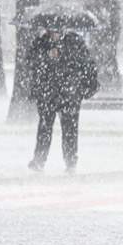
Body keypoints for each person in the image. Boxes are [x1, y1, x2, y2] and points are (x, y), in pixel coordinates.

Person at [31, 31, 98, 172]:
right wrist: (47, 57)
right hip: (48, 94)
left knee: (70, 129)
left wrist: (63, 55)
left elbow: (85, 63)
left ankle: (70, 162)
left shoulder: (74, 41)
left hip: (69, 94)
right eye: (52, 29)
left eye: (58, 29)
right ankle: (39, 160)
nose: (55, 32)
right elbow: (31, 64)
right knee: (45, 127)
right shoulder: (41, 43)